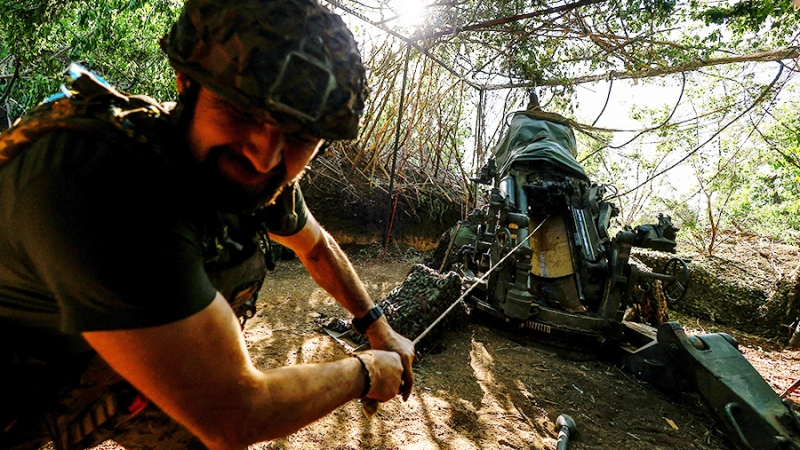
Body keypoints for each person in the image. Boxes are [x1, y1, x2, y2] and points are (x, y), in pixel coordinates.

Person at [0, 0, 414, 449]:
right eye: (243, 111)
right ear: (186, 84)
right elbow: (235, 413)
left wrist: (375, 324)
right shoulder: (99, 185)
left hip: (91, 373)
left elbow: (314, 246)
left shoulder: (252, 178)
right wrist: (367, 370)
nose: (263, 155)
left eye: (299, 134)